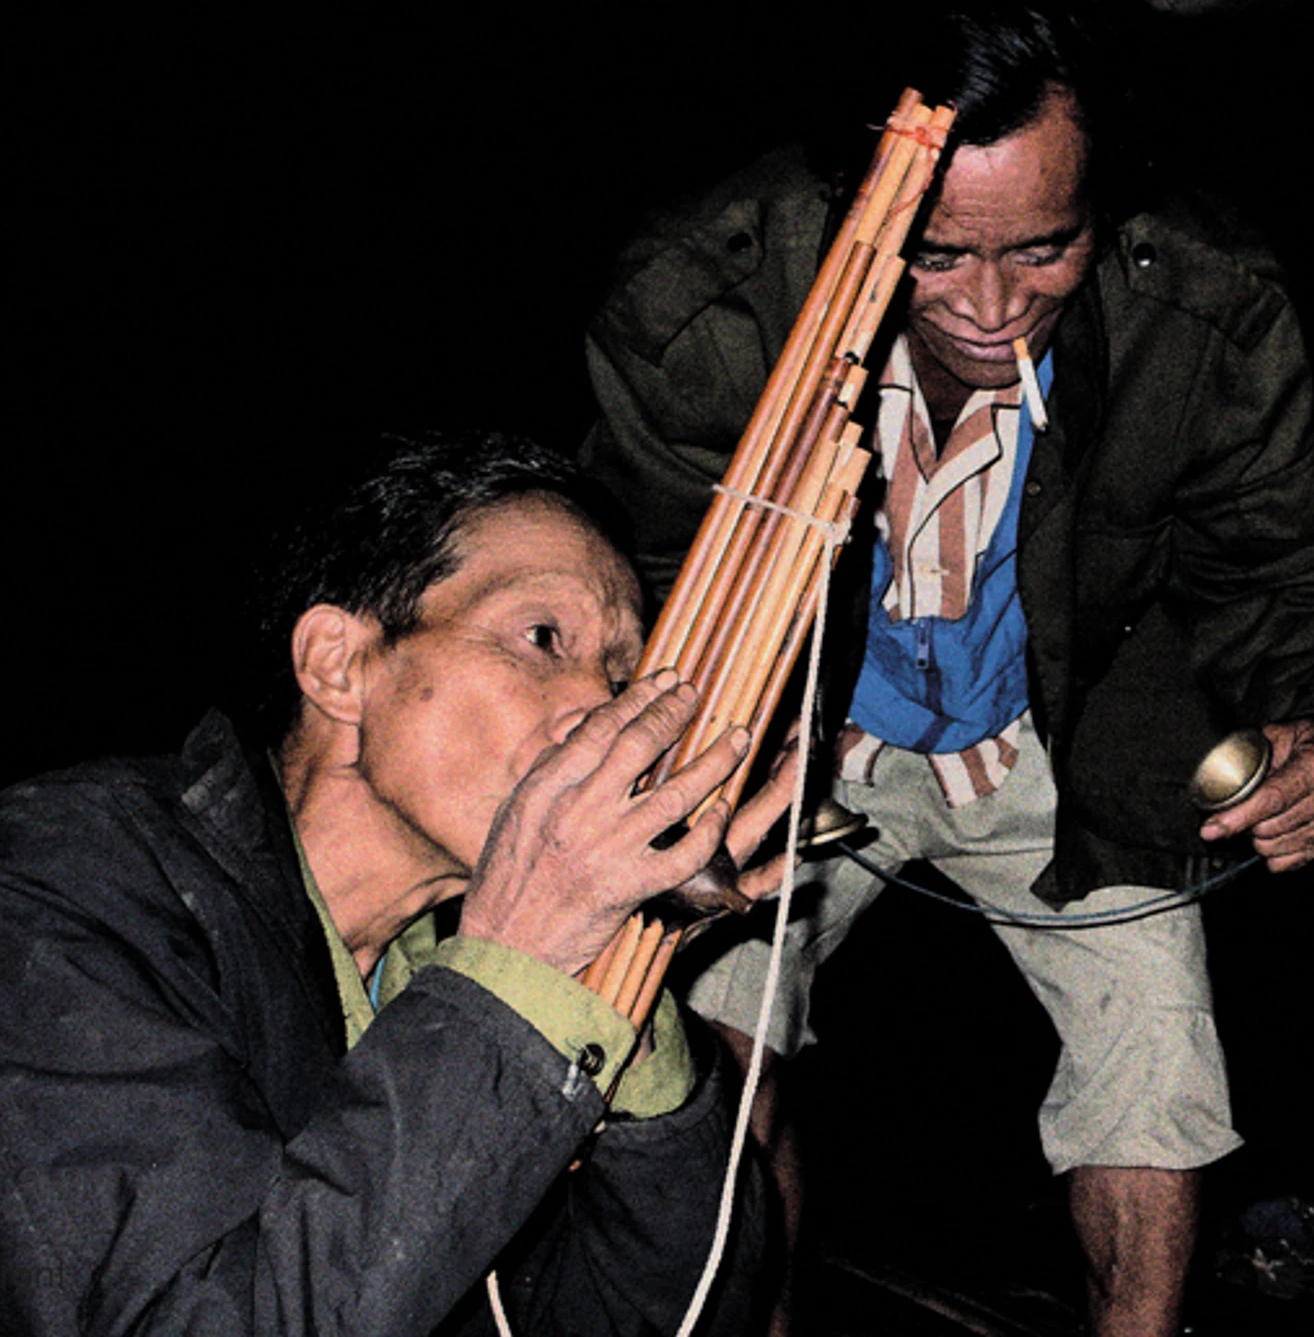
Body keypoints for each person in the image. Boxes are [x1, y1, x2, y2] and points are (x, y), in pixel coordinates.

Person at [580, 0, 1314, 1337]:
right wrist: (679, 781)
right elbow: (635, 583)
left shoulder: (1199, 299)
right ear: (857, 192)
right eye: (940, 253)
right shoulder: (701, 301)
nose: (992, 305)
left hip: (1051, 727)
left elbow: (1294, 556)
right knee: (706, 1058)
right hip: (788, 727)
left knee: (1160, 1072)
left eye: (1044, 249)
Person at [0, 432, 794, 1336]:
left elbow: (662, 1319)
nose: (606, 710)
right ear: (339, 664)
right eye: (543, 638)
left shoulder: (447, 977)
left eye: (621, 674)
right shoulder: (65, 880)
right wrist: (520, 970)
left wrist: (619, 986)